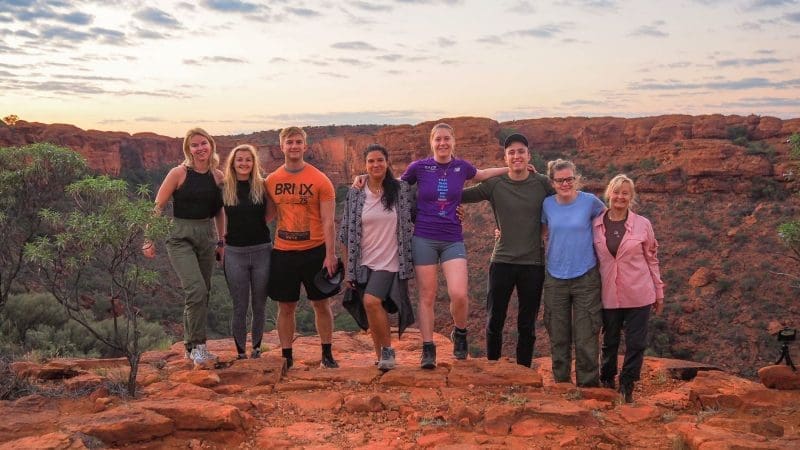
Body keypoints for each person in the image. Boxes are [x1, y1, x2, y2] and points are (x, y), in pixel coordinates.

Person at [401, 122, 506, 369]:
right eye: (438, 139)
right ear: (431, 142)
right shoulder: (419, 167)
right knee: (427, 295)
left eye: (446, 139)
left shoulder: (462, 167)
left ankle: (460, 332)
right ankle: (428, 348)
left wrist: (510, 167)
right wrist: (368, 177)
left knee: (459, 293)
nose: (442, 143)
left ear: (453, 141)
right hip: (424, 237)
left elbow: (482, 174)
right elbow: (398, 184)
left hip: (452, 238)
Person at [461, 133, 554, 367]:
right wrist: (452, 210)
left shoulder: (542, 183)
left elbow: (566, 199)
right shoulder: (495, 185)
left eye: (521, 151)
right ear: (505, 158)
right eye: (511, 152)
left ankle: (524, 369)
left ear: (528, 155)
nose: (516, 156)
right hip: (501, 261)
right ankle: (493, 367)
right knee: (495, 319)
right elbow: (459, 196)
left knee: (527, 323)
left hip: (532, 264)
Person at [143, 127, 224, 369]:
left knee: (203, 292)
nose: (200, 148)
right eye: (194, 145)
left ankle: (191, 347)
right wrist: (148, 238)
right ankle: (198, 347)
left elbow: (220, 211)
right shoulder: (178, 173)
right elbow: (157, 207)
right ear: (188, 149)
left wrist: (222, 240)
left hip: (206, 236)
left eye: (203, 144)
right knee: (196, 290)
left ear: (211, 145)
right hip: (180, 236)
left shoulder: (218, 176)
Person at [266, 126, 339, 369]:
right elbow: (266, 215)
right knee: (286, 306)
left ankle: (327, 354)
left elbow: (329, 221)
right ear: (282, 147)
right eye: (290, 142)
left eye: (298, 142)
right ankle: (287, 356)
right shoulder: (272, 180)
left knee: (321, 304)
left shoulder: (320, 180)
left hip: (315, 251)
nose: (294, 146)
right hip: (283, 251)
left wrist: (330, 255)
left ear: (305, 147)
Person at [338, 144, 415, 370]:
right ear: (365, 165)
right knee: (371, 306)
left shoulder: (401, 190)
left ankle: (388, 351)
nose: (376, 165)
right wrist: (349, 269)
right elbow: (345, 232)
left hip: (390, 260)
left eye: (380, 160)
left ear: (387, 162)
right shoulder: (356, 193)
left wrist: (456, 212)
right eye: (371, 161)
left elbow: (424, 209)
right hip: (363, 261)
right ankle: (380, 355)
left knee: (371, 301)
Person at [593, 174, 664, 402]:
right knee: (609, 341)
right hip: (608, 293)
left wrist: (658, 291)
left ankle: (627, 384)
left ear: (631, 197)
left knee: (636, 343)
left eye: (625, 193)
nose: (620, 197)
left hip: (639, 293)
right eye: (616, 192)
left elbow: (652, 259)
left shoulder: (643, 224)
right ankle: (607, 378)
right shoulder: (595, 224)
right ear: (608, 194)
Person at [541, 159, 605, 386]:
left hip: (586, 275)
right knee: (558, 334)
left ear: (576, 178)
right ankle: (562, 384)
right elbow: (538, 231)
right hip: (555, 276)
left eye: (569, 179)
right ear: (552, 182)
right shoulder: (547, 204)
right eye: (560, 180)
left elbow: (609, 222)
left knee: (586, 334)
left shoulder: (590, 202)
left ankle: (588, 386)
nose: (565, 184)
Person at [221, 144, 275, 360]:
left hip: (262, 250)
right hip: (234, 253)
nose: (243, 163)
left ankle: (257, 348)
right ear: (232, 163)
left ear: (254, 163)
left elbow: (271, 212)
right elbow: (214, 214)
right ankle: (241, 352)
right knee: (240, 305)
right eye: (239, 159)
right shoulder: (224, 187)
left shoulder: (263, 186)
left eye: (248, 159)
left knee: (259, 304)